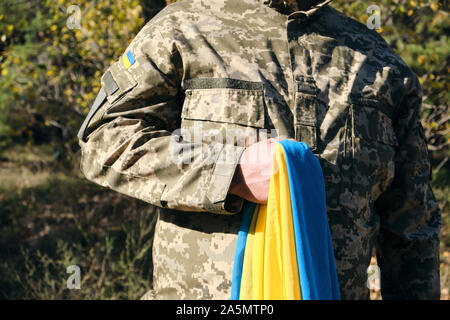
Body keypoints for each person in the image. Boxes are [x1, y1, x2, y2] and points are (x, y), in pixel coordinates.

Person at [77, 0, 441, 299]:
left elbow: (412, 227)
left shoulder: (382, 64)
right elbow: (102, 138)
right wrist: (228, 171)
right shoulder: (182, 27)